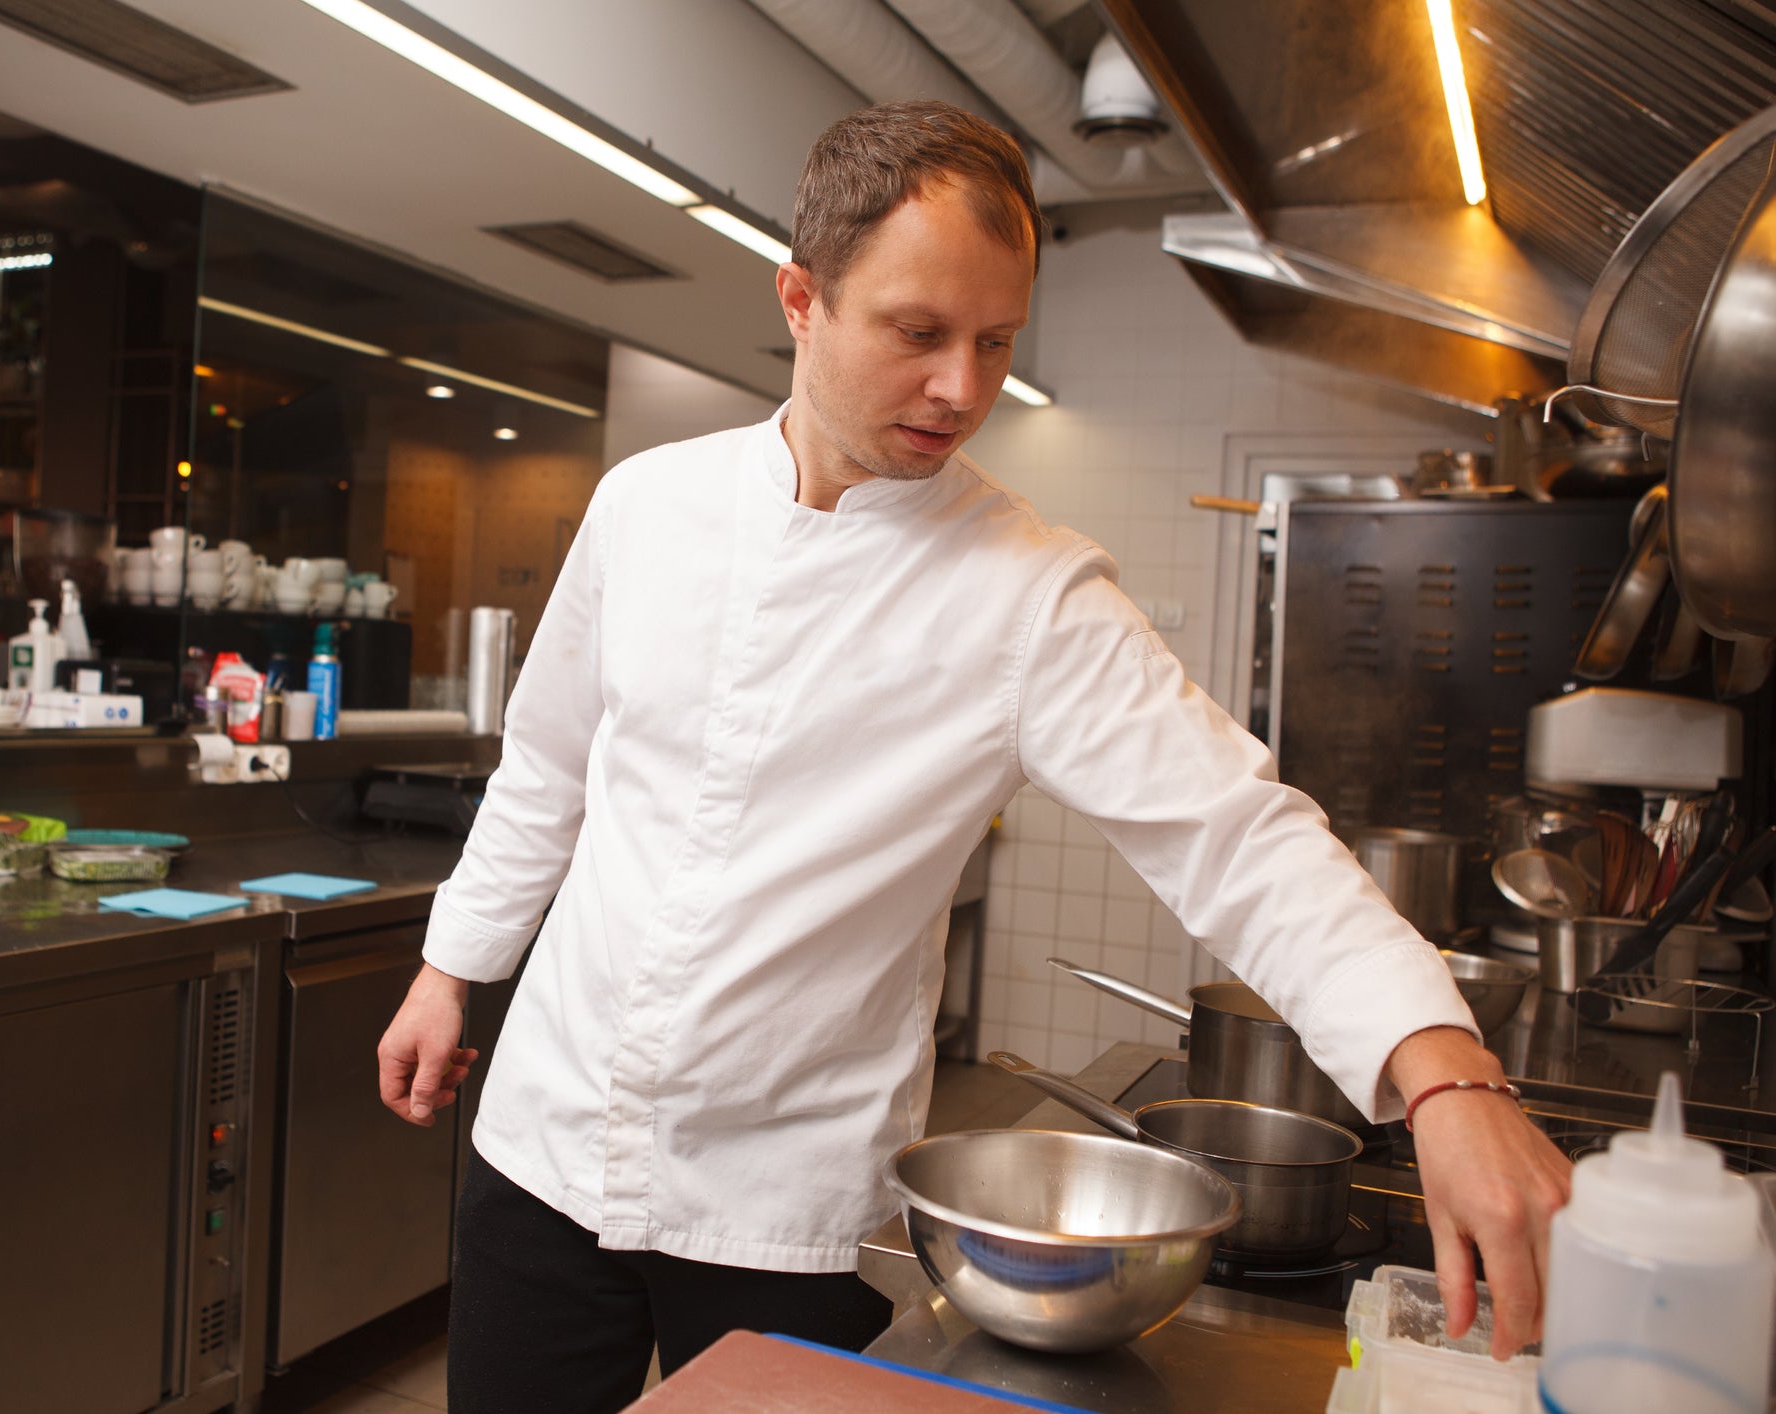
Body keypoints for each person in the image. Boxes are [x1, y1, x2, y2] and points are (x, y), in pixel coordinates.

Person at [378, 101, 1571, 1413]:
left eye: (995, 340)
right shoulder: (646, 505)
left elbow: (1233, 835)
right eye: (917, 332)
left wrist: (1441, 1071)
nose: (962, 386)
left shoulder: (1029, 593)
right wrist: (451, 971)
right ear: (800, 298)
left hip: (787, 1206)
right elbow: (550, 765)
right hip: (546, 1142)